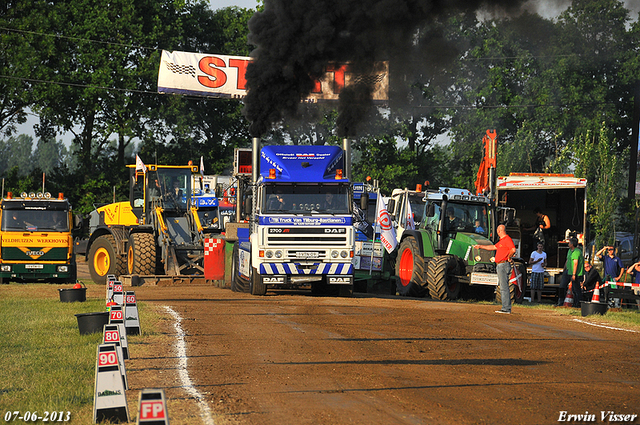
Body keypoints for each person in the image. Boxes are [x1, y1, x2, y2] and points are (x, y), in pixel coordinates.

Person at [474, 224, 516, 314]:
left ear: (499, 231)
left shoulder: (507, 239)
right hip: (500, 265)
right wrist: (480, 246)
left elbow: (513, 249)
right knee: (503, 286)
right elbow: (493, 247)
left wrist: (509, 257)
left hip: (503, 264)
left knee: (504, 287)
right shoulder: (502, 241)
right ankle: (505, 307)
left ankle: (506, 308)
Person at [557, 237, 584, 307]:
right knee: (562, 286)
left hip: (575, 273)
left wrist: (574, 274)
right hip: (568, 271)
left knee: (576, 289)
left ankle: (577, 303)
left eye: (569, 243)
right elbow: (567, 260)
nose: (568, 244)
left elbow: (575, 263)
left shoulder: (576, 252)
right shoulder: (569, 251)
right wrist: (564, 269)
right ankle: (561, 302)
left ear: (572, 244)